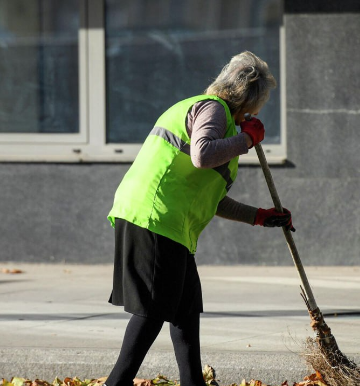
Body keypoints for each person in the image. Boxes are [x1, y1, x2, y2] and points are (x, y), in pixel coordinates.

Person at [104, 51, 294, 386]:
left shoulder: (221, 122)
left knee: (185, 312)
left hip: (171, 227)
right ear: (249, 101)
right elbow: (202, 155)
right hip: (154, 218)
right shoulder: (213, 109)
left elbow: (213, 199)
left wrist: (260, 217)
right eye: (256, 106)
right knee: (152, 312)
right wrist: (247, 139)